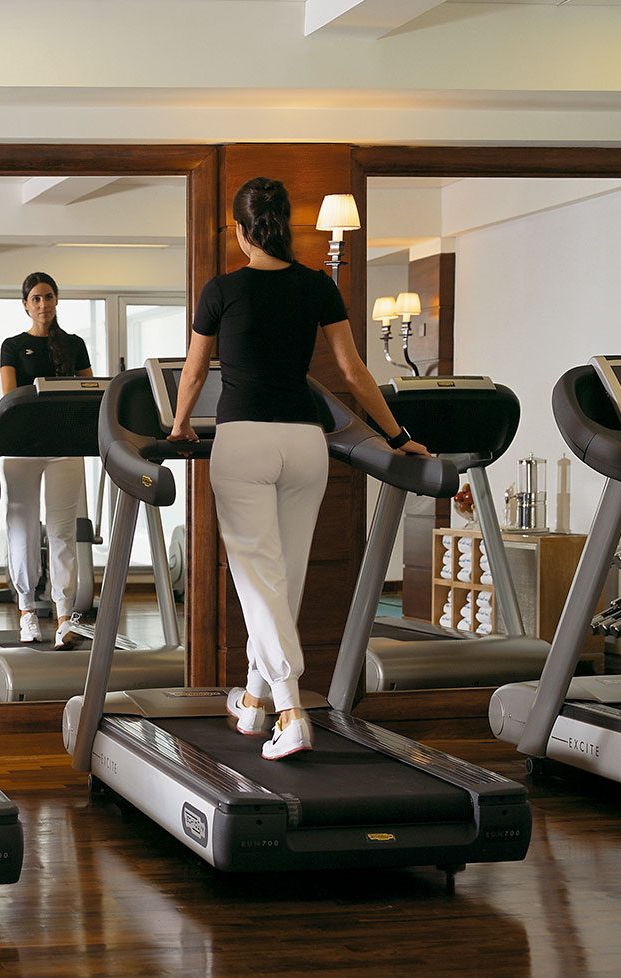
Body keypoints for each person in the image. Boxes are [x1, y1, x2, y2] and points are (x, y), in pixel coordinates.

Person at [167, 178, 428, 760]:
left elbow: (191, 373)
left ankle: (290, 709)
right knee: (285, 576)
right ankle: (256, 703)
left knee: (260, 580)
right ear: (286, 225)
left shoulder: (221, 289)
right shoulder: (316, 286)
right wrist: (398, 436)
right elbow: (355, 373)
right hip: (307, 444)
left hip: (244, 443)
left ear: (239, 231)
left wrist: (181, 425)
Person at [0, 272, 95, 650]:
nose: (43, 304)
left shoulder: (75, 344)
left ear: (57, 301)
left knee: (62, 532)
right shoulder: (12, 345)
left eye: (48, 297)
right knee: (21, 530)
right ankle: (26, 611)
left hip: (65, 448)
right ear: (25, 304)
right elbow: (11, 397)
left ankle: (64, 616)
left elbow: (91, 394)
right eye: (36, 298)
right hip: (23, 448)